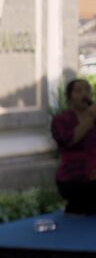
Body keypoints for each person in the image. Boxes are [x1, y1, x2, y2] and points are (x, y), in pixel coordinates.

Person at [50, 78, 96, 215]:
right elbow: (68, 141)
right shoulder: (61, 120)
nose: (84, 94)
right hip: (72, 177)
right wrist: (89, 119)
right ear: (69, 97)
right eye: (79, 91)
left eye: (87, 89)